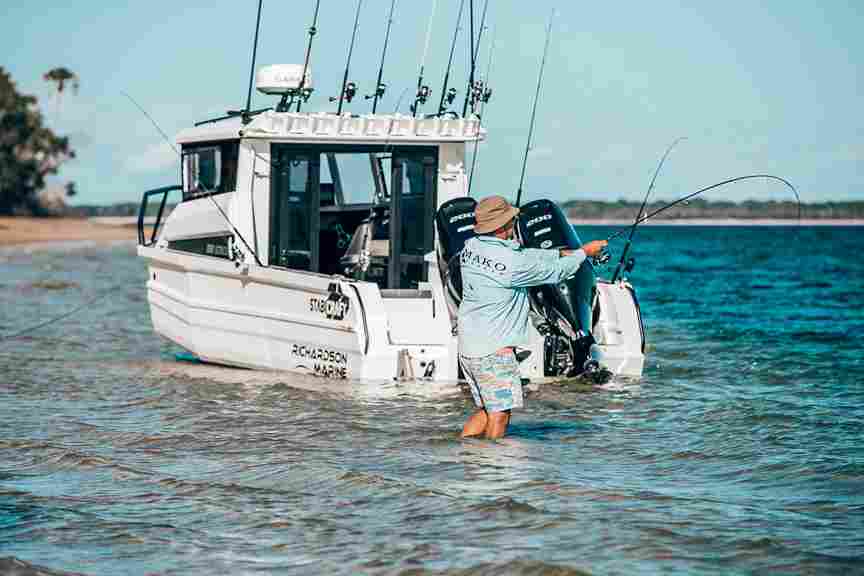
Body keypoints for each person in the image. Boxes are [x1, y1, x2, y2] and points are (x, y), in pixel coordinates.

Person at [457, 195, 608, 439]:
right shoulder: (512, 265)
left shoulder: (470, 248)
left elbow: (527, 256)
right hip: (494, 349)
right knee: (500, 413)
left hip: (469, 345)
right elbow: (556, 273)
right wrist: (584, 254)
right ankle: (493, 466)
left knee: (487, 409)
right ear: (503, 226)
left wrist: (567, 252)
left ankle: (464, 453)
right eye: (512, 219)